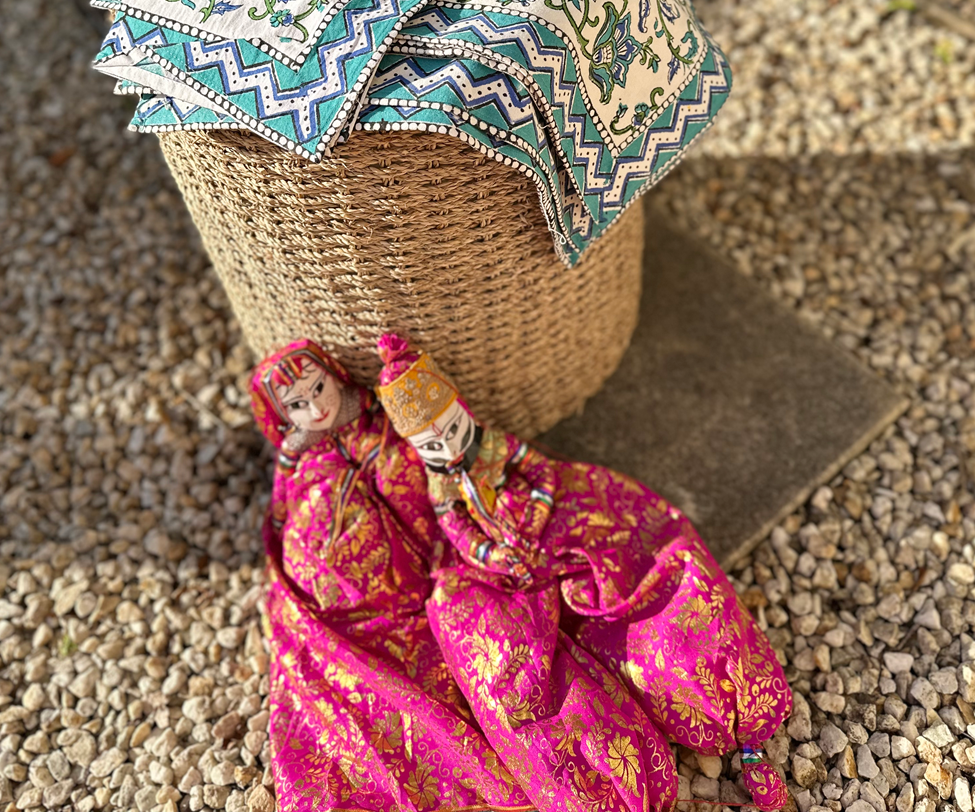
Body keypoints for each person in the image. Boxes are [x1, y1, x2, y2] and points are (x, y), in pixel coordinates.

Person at [376, 333, 792, 812]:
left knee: (630, 581)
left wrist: (534, 517)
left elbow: (540, 473)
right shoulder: (441, 484)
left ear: (462, 411)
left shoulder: (492, 446)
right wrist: (494, 557)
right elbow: (457, 531)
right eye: (431, 442)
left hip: (541, 525)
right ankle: (604, 770)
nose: (447, 446)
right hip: (503, 560)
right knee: (522, 667)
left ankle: (729, 713)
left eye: (451, 428)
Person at [249, 339, 532, 812]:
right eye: (298, 404)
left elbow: (422, 467)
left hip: (413, 557)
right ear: (282, 415)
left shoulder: (374, 418)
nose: (317, 407)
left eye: (319, 388)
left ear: (337, 377)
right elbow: (282, 508)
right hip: (334, 577)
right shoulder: (297, 452)